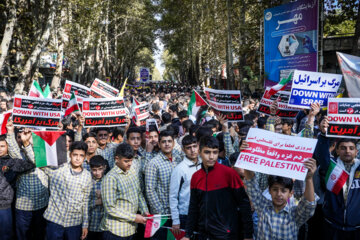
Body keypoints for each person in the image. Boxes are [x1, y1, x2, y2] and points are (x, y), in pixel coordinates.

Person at [242, 139, 317, 239]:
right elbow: (251, 184)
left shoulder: (295, 214)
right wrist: (247, 156)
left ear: (291, 193)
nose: (279, 194)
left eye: (284, 190)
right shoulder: (263, 206)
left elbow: (309, 205)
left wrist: (309, 178)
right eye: (275, 189)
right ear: (269, 190)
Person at [183, 136, 253, 240]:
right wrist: (187, 235)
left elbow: (244, 204)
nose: (211, 157)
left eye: (215, 152)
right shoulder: (196, 177)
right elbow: (193, 207)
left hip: (226, 234)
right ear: (199, 152)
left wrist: (248, 235)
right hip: (203, 234)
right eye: (207, 152)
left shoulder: (229, 174)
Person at [313, 116, 360, 239]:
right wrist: (323, 134)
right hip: (332, 226)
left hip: (356, 229)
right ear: (337, 151)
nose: (347, 151)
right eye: (343, 148)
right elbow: (321, 154)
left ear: (356, 152)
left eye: (351, 148)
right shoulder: (331, 166)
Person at [5, 122, 48, 240]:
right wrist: (10, 131)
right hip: (23, 206)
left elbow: (36, 161)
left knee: (39, 234)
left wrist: (27, 144)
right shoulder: (19, 155)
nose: (27, 138)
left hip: (42, 205)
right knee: (23, 236)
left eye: (31, 135)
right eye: (24, 135)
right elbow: (14, 149)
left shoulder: (44, 154)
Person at [43, 141, 92, 240]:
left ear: (85, 157)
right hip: (55, 220)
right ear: (70, 155)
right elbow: (40, 163)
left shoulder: (87, 175)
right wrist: (27, 144)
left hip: (74, 223)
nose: (78, 158)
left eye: (81, 155)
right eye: (75, 155)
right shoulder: (59, 169)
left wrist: (85, 224)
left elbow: (86, 201)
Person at [100, 143, 148, 240]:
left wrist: (144, 210)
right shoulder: (111, 178)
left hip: (131, 229)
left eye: (131, 160)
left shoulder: (132, 172)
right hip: (115, 231)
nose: (130, 163)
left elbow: (139, 194)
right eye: (126, 161)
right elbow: (110, 208)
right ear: (117, 159)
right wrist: (134, 217)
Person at [145, 130, 183, 239]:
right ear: (159, 144)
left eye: (169, 141)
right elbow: (150, 190)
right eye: (164, 142)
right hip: (162, 214)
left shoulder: (178, 158)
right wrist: (161, 213)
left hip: (178, 211)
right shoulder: (153, 163)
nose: (167, 144)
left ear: (174, 143)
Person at [0, 134, 36, 240]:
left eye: (2, 146)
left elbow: (32, 163)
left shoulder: (13, 162)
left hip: (3, 207)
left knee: (5, 236)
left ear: (8, 147)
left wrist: (26, 144)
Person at [169, 135, 201, 233]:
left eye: (194, 146)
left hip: (203, 213)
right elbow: (173, 196)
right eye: (188, 148)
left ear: (198, 147)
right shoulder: (179, 169)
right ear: (183, 150)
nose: (192, 150)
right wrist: (175, 220)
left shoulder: (204, 165)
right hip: (186, 215)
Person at [87, 155, 108, 240]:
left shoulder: (108, 180)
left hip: (105, 224)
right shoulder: (88, 181)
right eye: (94, 170)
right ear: (90, 169)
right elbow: (83, 203)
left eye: (100, 169)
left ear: (105, 167)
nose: (97, 172)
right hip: (92, 223)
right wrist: (97, 202)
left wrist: (103, 198)